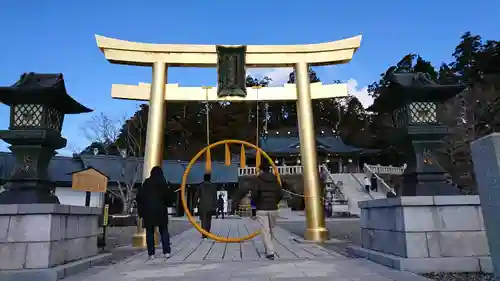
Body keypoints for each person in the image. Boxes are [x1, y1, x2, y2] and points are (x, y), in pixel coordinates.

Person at [135, 166, 173, 261]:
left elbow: (139, 197)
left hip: (148, 211)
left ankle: (151, 253)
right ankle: (166, 252)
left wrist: (141, 211)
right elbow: (168, 199)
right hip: (161, 210)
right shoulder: (164, 183)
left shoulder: (146, 183)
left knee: (149, 232)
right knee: (164, 231)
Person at [252, 161, 283, 260]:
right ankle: (269, 248)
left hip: (262, 208)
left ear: (261, 170)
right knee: (271, 230)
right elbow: (280, 194)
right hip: (273, 208)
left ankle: (270, 251)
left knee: (265, 230)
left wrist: (256, 204)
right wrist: (275, 202)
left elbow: (255, 195)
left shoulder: (258, 180)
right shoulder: (275, 180)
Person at [195, 173, 217, 239]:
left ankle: (204, 234)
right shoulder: (213, 186)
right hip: (210, 205)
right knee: (208, 219)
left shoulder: (200, 186)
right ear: (209, 178)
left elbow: (197, 196)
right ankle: (207, 231)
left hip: (202, 205)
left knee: (203, 220)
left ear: (203, 178)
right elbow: (215, 196)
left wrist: (194, 204)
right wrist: (215, 206)